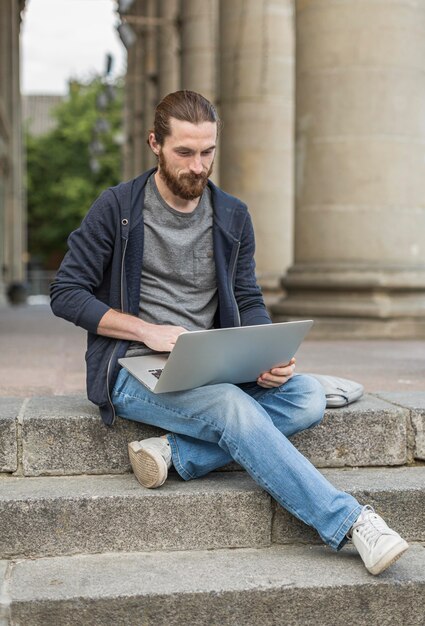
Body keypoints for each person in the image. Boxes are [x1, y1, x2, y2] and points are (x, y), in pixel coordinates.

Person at [51, 90, 408, 576]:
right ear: (154, 144)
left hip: (212, 362)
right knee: (229, 405)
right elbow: (66, 292)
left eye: (208, 152)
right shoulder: (118, 208)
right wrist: (148, 331)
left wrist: (264, 351)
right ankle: (348, 521)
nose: (198, 166)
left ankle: (176, 454)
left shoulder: (232, 215)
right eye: (185, 152)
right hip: (135, 368)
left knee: (305, 397)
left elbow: (248, 295)